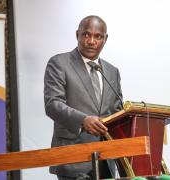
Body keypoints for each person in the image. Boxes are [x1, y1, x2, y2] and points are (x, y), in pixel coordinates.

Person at [44, 15, 123, 180]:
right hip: (73, 158)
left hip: (106, 160)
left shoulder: (112, 71)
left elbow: (117, 110)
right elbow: (53, 104)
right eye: (86, 34)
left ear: (105, 39)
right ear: (77, 35)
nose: (91, 41)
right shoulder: (59, 63)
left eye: (98, 36)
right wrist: (82, 120)